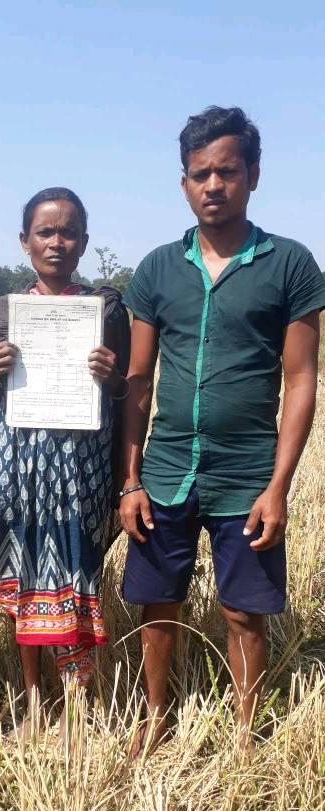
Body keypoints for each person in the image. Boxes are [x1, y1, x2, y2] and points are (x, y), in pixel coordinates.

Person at [120, 106, 325, 757]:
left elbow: (301, 379)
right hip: (166, 468)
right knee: (158, 603)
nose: (214, 185)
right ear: (184, 182)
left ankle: (245, 732)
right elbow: (138, 381)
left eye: (228, 171)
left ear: (253, 175)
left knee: (244, 610)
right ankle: (157, 718)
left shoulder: (289, 264)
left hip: (248, 471)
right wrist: (130, 479)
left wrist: (278, 487)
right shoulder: (157, 268)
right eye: (200, 173)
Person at [0, 187, 130, 740]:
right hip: (20, 468)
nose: (57, 242)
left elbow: (125, 396)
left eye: (68, 232)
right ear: (25, 242)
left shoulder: (107, 309)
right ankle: (33, 700)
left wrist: (112, 377)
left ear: (84, 243)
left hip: (82, 470)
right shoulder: (4, 311)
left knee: (75, 575)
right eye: (45, 232)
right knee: (24, 577)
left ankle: (76, 705)